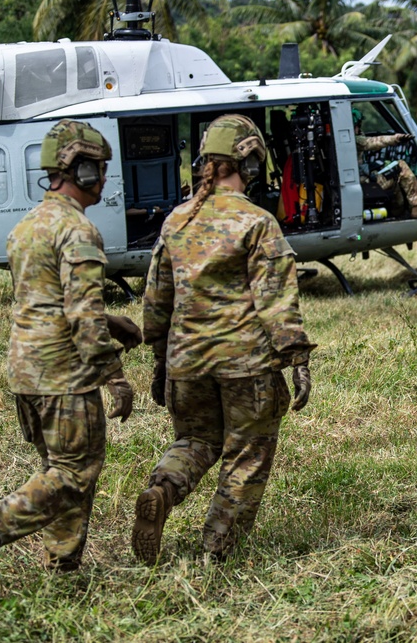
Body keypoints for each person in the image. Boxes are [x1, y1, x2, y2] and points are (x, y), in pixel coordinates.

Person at [0, 119, 143, 604]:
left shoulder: (26, 226)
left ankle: (63, 566)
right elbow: (79, 315)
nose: (103, 178)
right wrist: (115, 375)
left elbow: (45, 299)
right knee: (75, 473)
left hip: (25, 372)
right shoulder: (79, 230)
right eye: (98, 168)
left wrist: (111, 319)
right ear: (81, 169)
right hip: (64, 376)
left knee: (62, 472)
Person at [134, 114, 316, 563]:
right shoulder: (256, 222)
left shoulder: (176, 221)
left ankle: (162, 490)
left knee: (196, 441)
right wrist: (297, 357)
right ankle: (217, 551)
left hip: (186, 362)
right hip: (246, 367)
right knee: (246, 454)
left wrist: (160, 362)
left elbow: (156, 302)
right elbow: (275, 301)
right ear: (249, 162)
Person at [353, 109, 417, 220]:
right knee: (400, 167)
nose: (358, 128)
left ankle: (398, 214)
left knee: (393, 180)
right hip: (363, 185)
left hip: (357, 183)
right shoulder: (352, 140)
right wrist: (395, 138)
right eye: (357, 125)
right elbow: (374, 141)